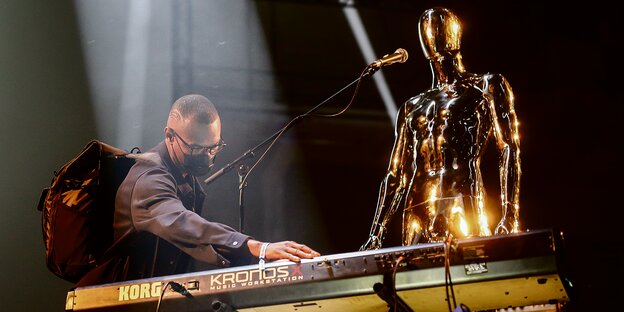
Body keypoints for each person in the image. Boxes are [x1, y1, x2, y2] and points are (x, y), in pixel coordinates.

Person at [77, 94, 320, 286]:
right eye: (195, 149)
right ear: (169, 136)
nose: (206, 157)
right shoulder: (149, 178)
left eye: (213, 148)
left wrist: (266, 260)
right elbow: (183, 223)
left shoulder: (183, 177)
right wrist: (257, 246)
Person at [361, 7, 522, 250]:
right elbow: (395, 175)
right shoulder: (412, 106)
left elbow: (509, 148)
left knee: (465, 274)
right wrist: (376, 233)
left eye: (440, 25)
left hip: (460, 198)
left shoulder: (486, 86)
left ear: (456, 33)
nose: (433, 33)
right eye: (426, 28)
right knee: (415, 282)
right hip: (416, 207)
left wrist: (510, 214)